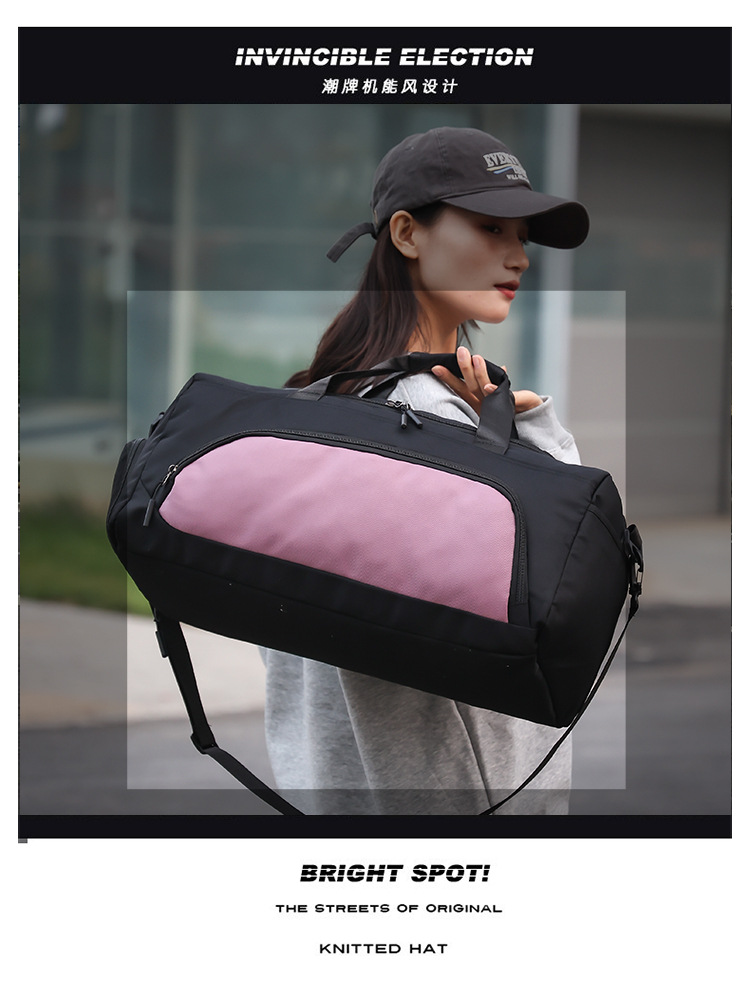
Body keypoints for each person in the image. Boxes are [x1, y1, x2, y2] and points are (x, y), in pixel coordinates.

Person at [259, 126, 590, 815]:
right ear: (408, 234)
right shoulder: (432, 421)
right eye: (491, 227)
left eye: (522, 235)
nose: (518, 256)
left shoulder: (319, 402)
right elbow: (570, 572)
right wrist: (534, 430)